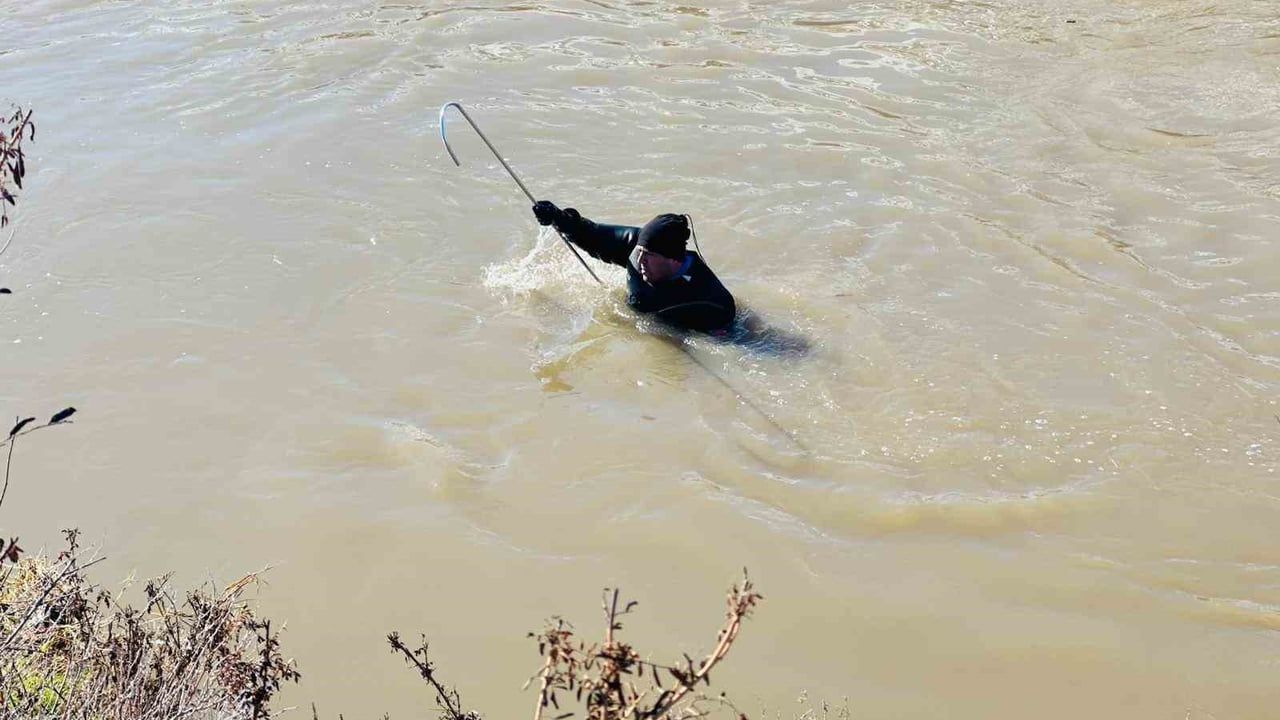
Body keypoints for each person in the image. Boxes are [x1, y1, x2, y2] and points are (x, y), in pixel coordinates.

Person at [531, 201, 736, 333]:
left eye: (649, 256)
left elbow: (724, 345)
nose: (640, 261)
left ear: (674, 259)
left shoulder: (713, 301)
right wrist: (557, 217)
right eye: (640, 253)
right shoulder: (635, 247)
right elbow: (590, 234)